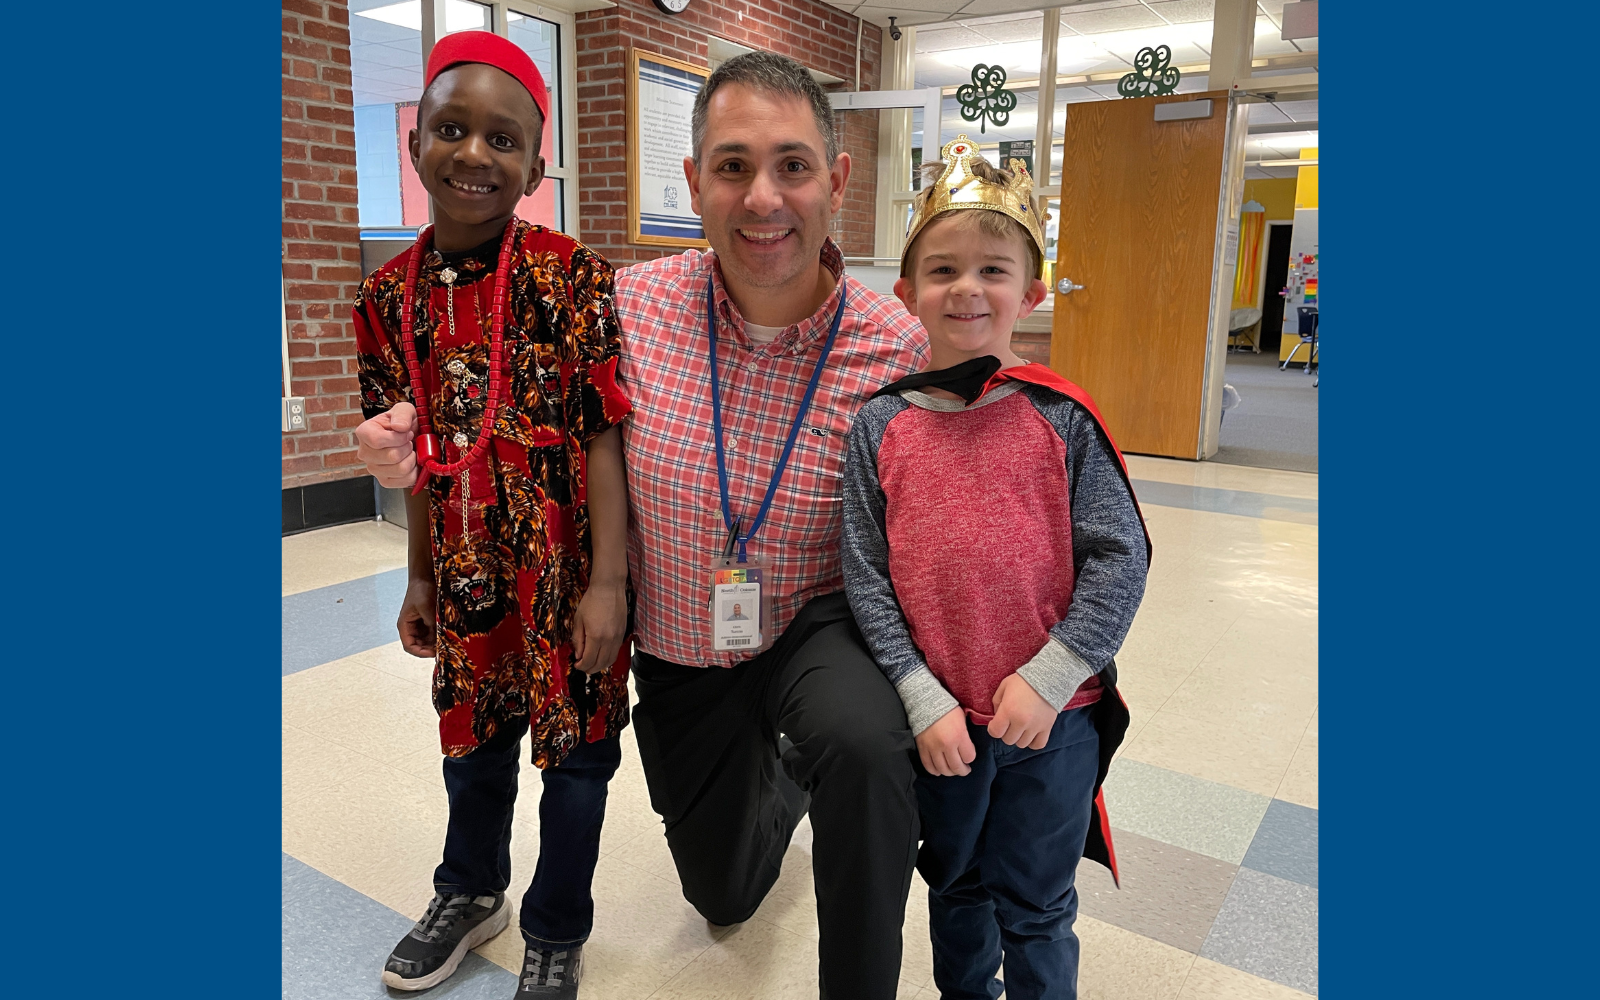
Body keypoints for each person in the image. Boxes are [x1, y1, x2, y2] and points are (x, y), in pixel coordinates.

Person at [614, 51, 928, 999]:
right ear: (693, 184)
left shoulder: (894, 346)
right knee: (725, 894)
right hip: (677, 639)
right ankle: (780, 779)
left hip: (812, 622)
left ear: (836, 181)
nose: (763, 198)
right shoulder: (630, 309)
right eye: (733, 165)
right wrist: (416, 440)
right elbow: (524, 419)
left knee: (866, 745)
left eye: (792, 165)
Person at [350, 31, 632, 999]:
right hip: (467, 560)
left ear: (535, 164)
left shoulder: (571, 276)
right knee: (471, 743)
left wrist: (607, 586)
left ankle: (557, 926)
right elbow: (414, 450)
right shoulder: (387, 299)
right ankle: (470, 892)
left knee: (576, 757)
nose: (476, 153)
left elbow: (603, 435)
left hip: (567, 564)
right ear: (416, 141)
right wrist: (421, 576)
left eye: (502, 140)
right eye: (453, 130)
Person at [840, 138, 1152, 1000]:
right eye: (941, 270)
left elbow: (1120, 558)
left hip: (1053, 725)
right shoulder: (880, 426)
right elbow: (865, 572)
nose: (966, 288)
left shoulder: (1064, 419)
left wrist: (1051, 678)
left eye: (992, 269)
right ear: (905, 294)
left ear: (1033, 291)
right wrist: (920, 694)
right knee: (956, 891)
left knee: (1040, 906)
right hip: (942, 727)